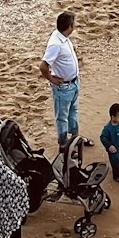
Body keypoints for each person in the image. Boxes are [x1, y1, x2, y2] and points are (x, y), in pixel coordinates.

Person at [40, 10, 82, 147]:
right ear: (69, 27)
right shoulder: (55, 44)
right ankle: (63, 145)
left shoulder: (62, 37)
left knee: (73, 112)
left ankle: (75, 138)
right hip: (63, 88)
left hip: (73, 84)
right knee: (62, 117)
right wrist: (51, 79)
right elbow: (43, 66)